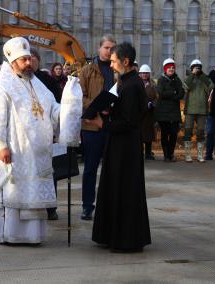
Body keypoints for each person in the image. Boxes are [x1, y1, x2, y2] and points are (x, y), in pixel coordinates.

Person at [0, 37, 60, 245]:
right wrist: (2, 145)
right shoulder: (1, 87)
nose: (28, 63)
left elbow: (52, 107)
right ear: (13, 62)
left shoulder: (38, 85)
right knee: (12, 192)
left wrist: (70, 104)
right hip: (14, 150)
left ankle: (32, 235)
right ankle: (10, 234)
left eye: (30, 59)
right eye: (23, 60)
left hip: (36, 154)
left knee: (32, 193)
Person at [88, 42, 151, 252]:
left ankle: (125, 239)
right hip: (119, 144)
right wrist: (108, 111)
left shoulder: (132, 85)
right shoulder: (126, 81)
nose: (112, 65)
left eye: (114, 61)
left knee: (125, 190)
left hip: (126, 147)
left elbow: (129, 121)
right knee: (115, 187)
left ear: (125, 61)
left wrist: (102, 123)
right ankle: (110, 234)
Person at [79, 35, 116, 220]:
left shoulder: (116, 71)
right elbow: (80, 96)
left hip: (112, 125)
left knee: (112, 169)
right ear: (99, 48)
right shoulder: (87, 70)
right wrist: (97, 107)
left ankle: (108, 206)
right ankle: (87, 206)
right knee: (90, 169)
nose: (109, 51)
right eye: (107, 47)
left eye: (112, 48)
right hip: (92, 125)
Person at [30, 47, 61, 221]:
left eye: (33, 58)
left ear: (39, 60)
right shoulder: (19, 80)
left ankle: (51, 207)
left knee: (49, 171)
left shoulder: (47, 80)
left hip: (46, 133)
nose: (30, 61)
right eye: (27, 57)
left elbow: (56, 102)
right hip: (28, 137)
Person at [183, 59, 214, 162]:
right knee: (188, 132)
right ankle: (188, 155)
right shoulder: (189, 78)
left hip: (202, 110)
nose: (197, 69)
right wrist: (192, 75)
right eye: (195, 67)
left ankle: (200, 155)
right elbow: (186, 86)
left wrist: (202, 75)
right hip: (190, 110)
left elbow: (211, 86)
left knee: (201, 132)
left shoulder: (204, 79)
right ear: (191, 68)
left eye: (199, 67)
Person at [155, 58, 185, 162]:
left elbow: (181, 93)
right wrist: (173, 92)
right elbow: (161, 93)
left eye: (173, 68)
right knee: (164, 134)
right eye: (169, 68)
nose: (171, 69)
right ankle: (166, 155)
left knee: (173, 134)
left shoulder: (177, 80)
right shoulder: (161, 80)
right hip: (163, 113)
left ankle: (171, 154)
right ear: (165, 69)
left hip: (175, 113)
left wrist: (174, 94)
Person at [138, 64, 158, 160]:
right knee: (140, 135)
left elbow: (157, 97)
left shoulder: (153, 84)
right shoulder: (137, 84)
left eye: (146, 73)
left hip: (150, 114)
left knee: (149, 135)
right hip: (140, 113)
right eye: (143, 73)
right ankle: (139, 153)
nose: (145, 75)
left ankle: (148, 153)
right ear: (140, 74)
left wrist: (152, 104)